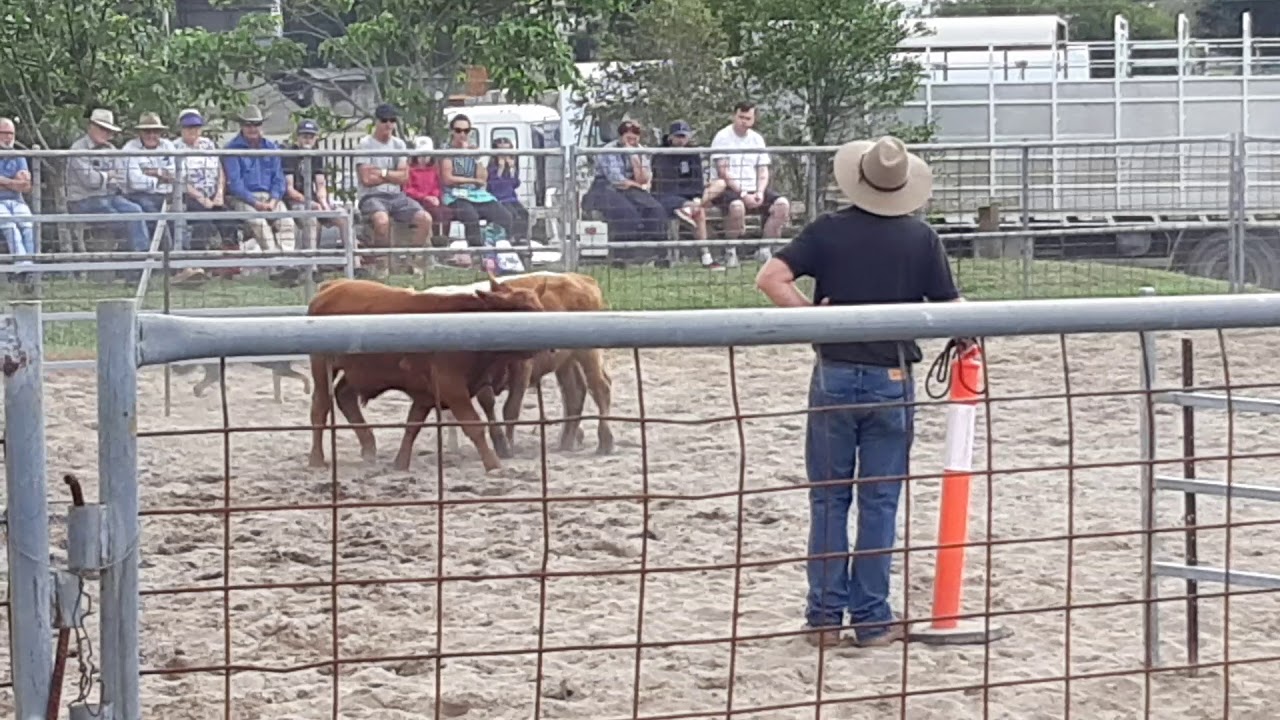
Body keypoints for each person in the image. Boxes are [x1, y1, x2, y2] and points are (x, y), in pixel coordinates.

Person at [754, 136, 964, 649]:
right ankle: (871, 618)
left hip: (834, 373)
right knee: (880, 501)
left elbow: (771, 277)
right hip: (892, 377)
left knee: (828, 499)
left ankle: (824, 618)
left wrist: (811, 319)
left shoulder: (828, 230)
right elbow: (953, 312)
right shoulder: (921, 238)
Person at [710, 102, 790, 266]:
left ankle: (764, 249)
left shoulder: (757, 139)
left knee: (782, 204)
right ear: (734, 116)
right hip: (728, 189)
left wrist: (759, 192)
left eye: (748, 118)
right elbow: (723, 171)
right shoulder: (722, 137)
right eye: (741, 117)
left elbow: (763, 170)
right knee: (737, 206)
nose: (744, 121)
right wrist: (744, 194)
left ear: (754, 119)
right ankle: (730, 250)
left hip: (754, 188)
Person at [356, 103, 433, 267]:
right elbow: (367, 179)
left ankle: (411, 261)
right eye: (384, 120)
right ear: (376, 121)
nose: (389, 124)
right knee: (382, 221)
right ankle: (381, 263)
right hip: (371, 196)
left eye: (392, 120)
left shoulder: (399, 144)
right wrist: (393, 175)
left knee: (425, 218)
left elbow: (404, 177)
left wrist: (382, 173)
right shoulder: (365, 144)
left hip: (397, 196)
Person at [65, 108, 151, 256]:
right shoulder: (78, 149)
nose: (106, 133)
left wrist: (104, 177)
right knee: (116, 217)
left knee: (136, 210)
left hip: (109, 196)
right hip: (83, 200)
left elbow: (119, 178)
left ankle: (142, 256)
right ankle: (126, 256)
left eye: (108, 130)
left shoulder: (111, 149)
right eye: (102, 128)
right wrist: (108, 176)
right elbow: (90, 181)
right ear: (90, 127)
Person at [222, 105, 297, 263]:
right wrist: (256, 203)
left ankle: (287, 262)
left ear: (261, 126)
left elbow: (279, 179)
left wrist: (274, 200)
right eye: (248, 124)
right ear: (242, 126)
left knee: (287, 223)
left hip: (270, 197)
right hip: (243, 198)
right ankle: (276, 263)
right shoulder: (231, 149)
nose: (252, 128)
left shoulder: (271, 147)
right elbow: (235, 184)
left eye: (256, 124)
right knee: (259, 224)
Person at [650, 120, 727, 269]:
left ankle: (705, 256)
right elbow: (664, 185)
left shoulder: (692, 153)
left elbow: (697, 180)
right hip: (665, 196)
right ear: (670, 137)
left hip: (689, 196)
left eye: (684, 136)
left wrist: (696, 198)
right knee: (698, 212)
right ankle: (706, 257)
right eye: (678, 136)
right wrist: (685, 202)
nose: (681, 140)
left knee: (716, 189)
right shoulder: (661, 154)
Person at [582, 119, 667, 252]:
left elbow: (643, 179)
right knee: (627, 213)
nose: (632, 137)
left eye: (635, 134)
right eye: (627, 134)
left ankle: (657, 253)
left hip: (631, 188)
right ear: (621, 135)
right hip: (605, 187)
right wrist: (638, 186)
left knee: (656, 209)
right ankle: (623, 255)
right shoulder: (609, 150)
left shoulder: (641, 151)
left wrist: (633, 156)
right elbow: (617, 180)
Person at [439, 113, 514, 246]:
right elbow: (448, 179)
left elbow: (482, 179)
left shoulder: (473, 151)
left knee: (505, 216)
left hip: (476, 194)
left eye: (466, 131)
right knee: (471, 216)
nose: (462, 134)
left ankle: (500, 245)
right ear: (452, 132)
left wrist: (477, 158)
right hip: (455, 196)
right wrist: (471, 181)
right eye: (458, 130)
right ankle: (476, 250)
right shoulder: (447, 152)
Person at [122, 112, 177, 247]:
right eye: (147, 131)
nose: (152, 135)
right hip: (139, 196)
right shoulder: (129, 148)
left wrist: (153, 172)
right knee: (158, 219)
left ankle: (183, 256)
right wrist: (161, 176)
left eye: (156, 131)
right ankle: (166, 255)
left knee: (180, 218)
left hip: (169, 195)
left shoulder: (168, 146)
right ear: (140, 133)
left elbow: (176, 173)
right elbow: (136, 182)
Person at [0, 117, 36, 266]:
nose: (9, 137)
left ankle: (30, 266)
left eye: (11, 133)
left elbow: (26, 187)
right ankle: (24, 267)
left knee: (28, 225)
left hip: (17, 200)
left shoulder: (18, 156)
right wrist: (15, 182)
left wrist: (3, 181)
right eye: (4, 133)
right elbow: (20, 184)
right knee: (11, 227)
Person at [486, 137, 529, 243]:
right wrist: (500, 170)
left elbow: (515, 183)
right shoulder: (492, 167)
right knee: (511, 214)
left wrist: (512, 170)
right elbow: (493, 186)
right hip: (499, 198)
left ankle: (522, 238)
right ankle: (510, 238)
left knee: (524, 213)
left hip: (510, 197)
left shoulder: (511, 167)